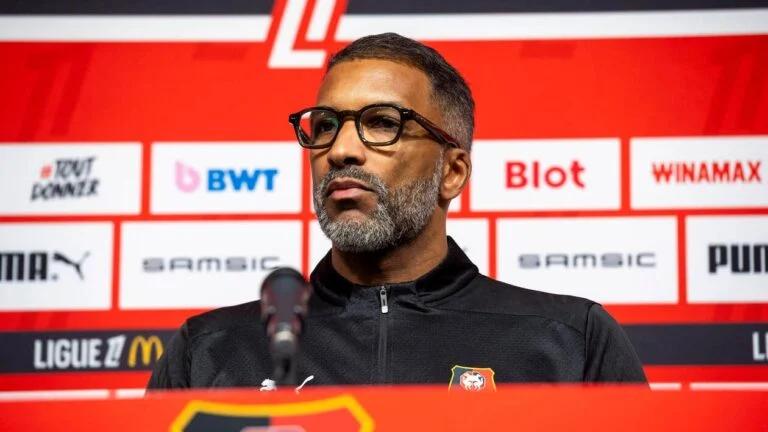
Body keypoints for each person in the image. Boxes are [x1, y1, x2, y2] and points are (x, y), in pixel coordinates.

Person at [147, 33, 646, 390]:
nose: (341, 150)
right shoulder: (209, 351)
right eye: (325, 126)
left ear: (452, 172)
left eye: (382, 123)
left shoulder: (570, 341)